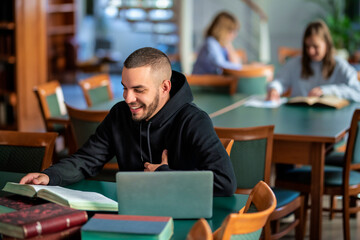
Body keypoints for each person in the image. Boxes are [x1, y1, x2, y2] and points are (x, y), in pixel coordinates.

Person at [20, 47, 237, 197]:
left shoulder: (194, 121)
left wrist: (164, 175)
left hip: (180, 218)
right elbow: (87, 159)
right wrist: (49, 176)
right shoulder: (119, 115)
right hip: (129, 213)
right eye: (124, 87)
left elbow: (225, 182)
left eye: (138, 90)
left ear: (165, 87)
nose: (127, 98)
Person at [267, 20, 360, 102]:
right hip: (300, 117)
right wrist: (274, 89)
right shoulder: (296, 63)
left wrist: (327, 91)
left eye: (315, 46)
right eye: (307, 47)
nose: (310, 51)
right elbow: (279, 81)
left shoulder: (339, 65)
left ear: (327, 44)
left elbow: (357, 92)